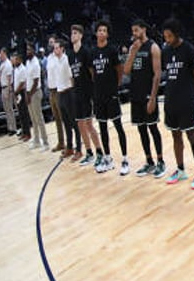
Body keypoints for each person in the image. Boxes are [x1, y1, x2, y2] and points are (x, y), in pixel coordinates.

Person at [161, 18, 194, 189]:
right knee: (175, 135)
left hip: (186, 100)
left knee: (191, 134)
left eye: (169, 36)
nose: (167, 39)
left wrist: (189, 92)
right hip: (170, 99)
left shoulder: (189, 50)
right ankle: (180, 170)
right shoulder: (166, 50)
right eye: (165, 36)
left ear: (177, 34)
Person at [123, 19, 165, 177]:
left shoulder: (153, 47)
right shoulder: (133, 48)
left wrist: (153, 98)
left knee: (153, 128)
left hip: (148, 94)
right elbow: (126, 71)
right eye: (133, 31)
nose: (134, 34)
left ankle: (161, 161)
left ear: (143, 30)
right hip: (136, 94)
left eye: (136, 30)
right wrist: (132, 53)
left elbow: (157, 75)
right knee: (141, 129)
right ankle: (149, 161)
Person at [92, 21, 129, 175]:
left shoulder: (112, 50)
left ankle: (125, 159)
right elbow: (91, 72)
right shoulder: (92, 52)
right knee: (102, 127)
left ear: (107, 34)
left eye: (104, 30)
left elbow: (119, 70)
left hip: (111, 93)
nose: (101, 33)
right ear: (96, 33)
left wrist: (116, 86)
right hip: (98, 95)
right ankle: (107, 158)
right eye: (99, 30)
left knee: (118, 126)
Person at [69, 24, 102, 166]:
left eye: (75, 33)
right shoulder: (70, 55)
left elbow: (92, 73)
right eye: (72, 33)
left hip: (87, 92)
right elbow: (72, 75)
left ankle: (99, 152)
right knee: (80, 124)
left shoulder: (86, 52)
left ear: (81, 35)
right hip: (76, 93)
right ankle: (89, 152)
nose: (73, 36)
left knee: (89, 124)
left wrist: (93, 92)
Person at [48, 38, 79, 158]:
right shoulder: (54, 60)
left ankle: (78, 148)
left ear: (62, 48)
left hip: (68, 92)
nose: (54, 49)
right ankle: (69, 147)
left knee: (74, 123)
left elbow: (72, 78)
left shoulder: (66, 59)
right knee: (66, 123)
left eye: (56, 47)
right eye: (54, 48)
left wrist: (73, 92)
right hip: (60, 93)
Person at [24, 43, 49, 151]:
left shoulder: (35, 63)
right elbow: (28, 80)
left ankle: (46, 142)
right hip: (29, 93)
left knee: (39, 118)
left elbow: (35, 81)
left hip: (35, 93)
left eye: (29, 50)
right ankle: (37, 140)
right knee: (33, 119)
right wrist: (26, 93)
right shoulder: (27, 62)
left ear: (34, 51)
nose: (27, 52)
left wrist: (29, 94)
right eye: (27, 50)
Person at [45, 36, 65, 151]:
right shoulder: (49, 58)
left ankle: (71, 143)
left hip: (59, 90)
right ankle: (61, 142)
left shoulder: (60, 57)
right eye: (50, 42)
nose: (51, 44)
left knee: (64, 118)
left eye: (53, 42)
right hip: (51, 91)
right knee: (57, 119)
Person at [0, 48, 16, 136]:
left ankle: (13, 128)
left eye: (0, 53)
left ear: (4, 53)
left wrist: (9, 90)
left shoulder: (8, 64)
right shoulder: (2, 64)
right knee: (6, 110)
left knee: (10, 109)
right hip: (2, 87)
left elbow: (9, 79)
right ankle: (10, 127)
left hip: (7, 88)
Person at [12, 52, 31, 142]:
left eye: (16, 59)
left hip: (22, 92)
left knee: (24, 114)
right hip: (17, 93)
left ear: (20, 60)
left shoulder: (23, 69)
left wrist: (16, 91)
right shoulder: (16, 69)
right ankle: (24, 132)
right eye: (14, 59)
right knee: (20, 114)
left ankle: (28, 134)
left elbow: (22, 82)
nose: (14, 61)